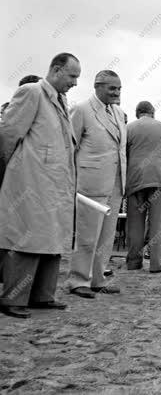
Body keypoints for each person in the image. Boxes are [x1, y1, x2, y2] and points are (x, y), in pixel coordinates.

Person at [0, 53, 80, 318]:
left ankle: (42, 295)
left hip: (55, 185)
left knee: (53, 240)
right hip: (30, 183)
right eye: (72, 76)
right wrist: (7, 174)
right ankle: (13, 298)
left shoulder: (60, 100)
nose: (75, 83)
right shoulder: (31, 92)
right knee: (25, 240)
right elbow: (9, 134)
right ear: (56, 70)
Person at [66, 70, 126, 299]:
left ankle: (98, 278)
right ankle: (78, 279)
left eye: (119, 88)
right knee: (87, 235)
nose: (117, 92)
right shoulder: (82, 110)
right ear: (97, 86)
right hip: (90, 183)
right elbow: (70, 147)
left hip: (115, 183)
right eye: (112, 88)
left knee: (106, 236)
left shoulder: (119, 113)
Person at [125, 101, 161, 273]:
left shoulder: (129, 128)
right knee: (157, 223)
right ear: (152, 112)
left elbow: (125, 154)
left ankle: (133, 262)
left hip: (135, 178)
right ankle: (156, 263)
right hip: (159, 177)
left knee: (134, 223)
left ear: (137, 113)